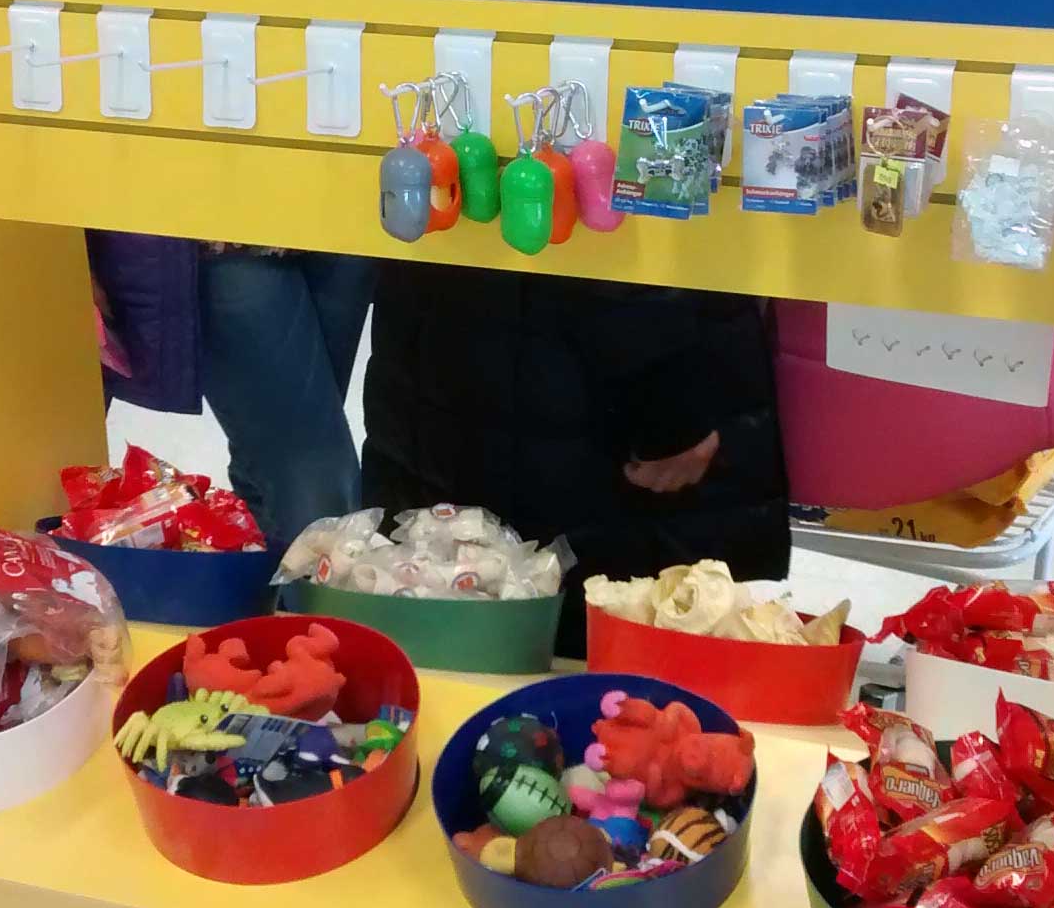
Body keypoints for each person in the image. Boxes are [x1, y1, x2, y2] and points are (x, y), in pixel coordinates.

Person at [362, 262, 791, 657]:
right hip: (589, 401)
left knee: (460, 638)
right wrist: (673, 410)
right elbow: (620, 223)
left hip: (453, 363)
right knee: (598, 663)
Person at [88, 233, 374, 546]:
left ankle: (262, 570)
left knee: (271, 465)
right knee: (317, 485)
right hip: (227, 235)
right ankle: (316, 575)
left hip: (345, 228)